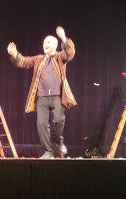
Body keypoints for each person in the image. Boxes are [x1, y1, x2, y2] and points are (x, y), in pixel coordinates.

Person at [7, 26, 76, 158]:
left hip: (57, 96)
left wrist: (63, 38)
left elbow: (70, 53)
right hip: (42, 97)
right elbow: (24, 62)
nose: (45, 44)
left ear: (55, 45)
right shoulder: (39, 59)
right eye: (44, 42)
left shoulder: (60, 56)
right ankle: (48, 151)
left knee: (58, 119)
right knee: (42, 124)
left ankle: (58, 141)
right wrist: (15, 54)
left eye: (48, 42)